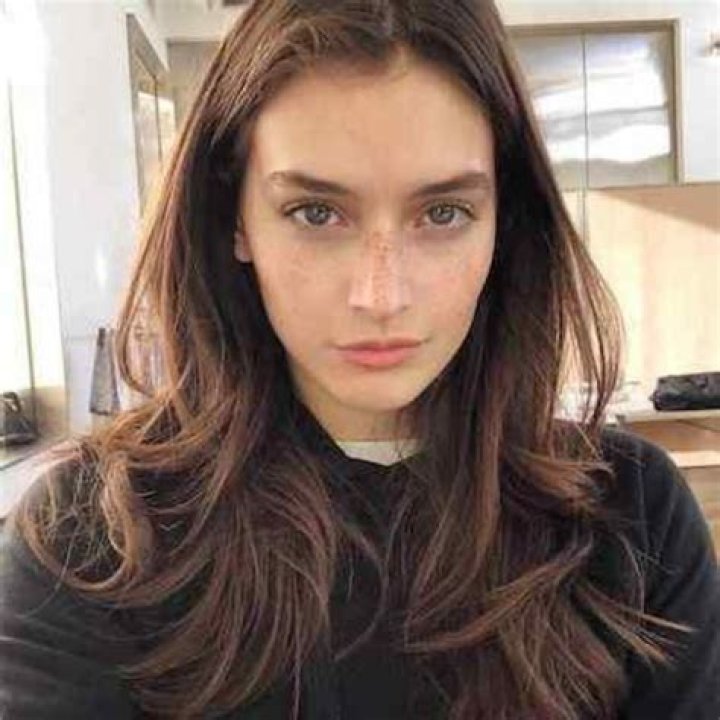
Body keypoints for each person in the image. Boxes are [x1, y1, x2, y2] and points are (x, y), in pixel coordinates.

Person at [1, 0, 718, 718]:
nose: (381, 295)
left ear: (505, 223)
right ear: (234, 219)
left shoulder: (633, 517)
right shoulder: (91, 539)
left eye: (443, 213)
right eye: (316, 213)